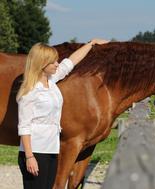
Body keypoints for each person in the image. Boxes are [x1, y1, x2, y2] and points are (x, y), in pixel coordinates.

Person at [16, 38, 109, 189]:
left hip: (52, 149)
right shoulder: (30, 92)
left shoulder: (51, 81)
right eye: (53, 62)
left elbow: (70, 62)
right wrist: (29, 156)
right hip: (35, 152)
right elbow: (24, 127)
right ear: (41, 64)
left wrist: (91, 44)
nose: (57, 64)